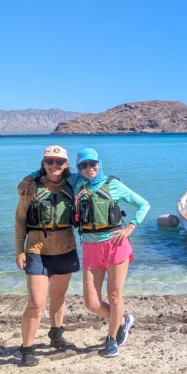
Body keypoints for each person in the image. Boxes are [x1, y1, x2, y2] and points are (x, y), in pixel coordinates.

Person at [73, 148, 149, 357]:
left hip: (115, 245)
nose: (89, 169)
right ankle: (123, 321)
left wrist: (129, 228)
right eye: (83, 165)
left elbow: (143, 204)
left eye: (92, 164)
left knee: (114, 295)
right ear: (78, 167)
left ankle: (112, 338)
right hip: (90, 248)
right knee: (91, 303)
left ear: (99, 163)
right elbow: (49, 174)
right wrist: (29, 180)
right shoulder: (76, 183)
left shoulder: (113, 185)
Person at [14, 145, 79, 367]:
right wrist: (19, 250)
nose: (54, 165)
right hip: (37, 249)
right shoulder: (31, 187)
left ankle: (56, 334)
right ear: (43, 164)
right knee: (36, 303)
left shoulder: (73, 185)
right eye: (49, 161)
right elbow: (20, 220)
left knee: (59, 297)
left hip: (66, 247)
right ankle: (27, 348)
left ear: (66, 164)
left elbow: (96, 178)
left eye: (59, 162)